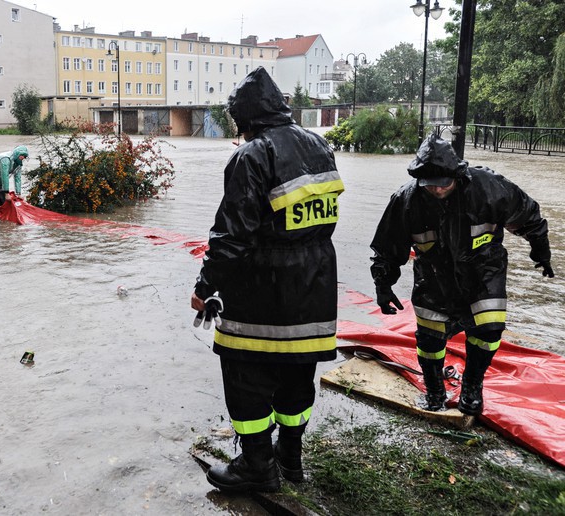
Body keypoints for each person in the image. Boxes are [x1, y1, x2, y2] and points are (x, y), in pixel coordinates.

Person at [190, 67, 344, 493]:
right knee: (298, 377)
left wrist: (205, 287)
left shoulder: (251, 156)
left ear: (245, 118)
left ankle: (257, 466)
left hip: (261, 290)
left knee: (247, 380)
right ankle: (290, 460)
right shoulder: (320, 146)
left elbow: (232, 235)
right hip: (316, 285)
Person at [370, 133, 554, 415]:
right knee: (430, 340)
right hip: (433, 278)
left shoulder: (489, 188)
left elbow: (528, 215)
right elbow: (386, 248)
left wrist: (540, 250)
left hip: (484, 274)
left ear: (457, 175)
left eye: (444, 184)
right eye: (430, 185)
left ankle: (472, 386)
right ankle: (434, 390)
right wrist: (383, 285)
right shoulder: (406, 200)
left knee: (489, 332)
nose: (437, 190)